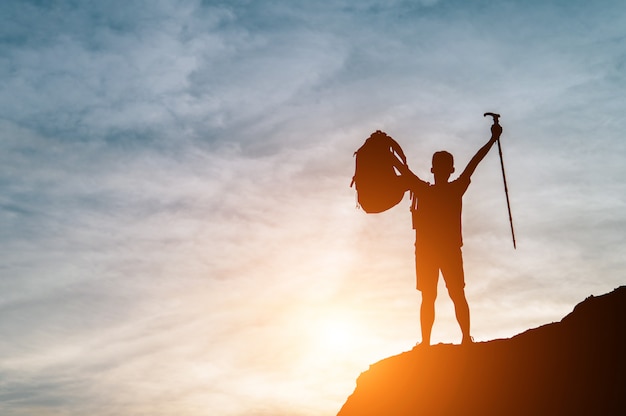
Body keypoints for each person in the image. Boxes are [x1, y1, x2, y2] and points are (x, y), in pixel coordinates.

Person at [401, 122, 502, 347]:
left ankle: (428, 342)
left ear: (433, 169)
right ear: (450, 170)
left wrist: (389, 153)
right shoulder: (455, 188)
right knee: (455, 294)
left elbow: (405, 173)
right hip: (447, 250)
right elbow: (474, 163)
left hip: (429, 252)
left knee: (431, 297)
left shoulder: (424, 190)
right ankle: (465, 338)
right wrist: (492, 140)